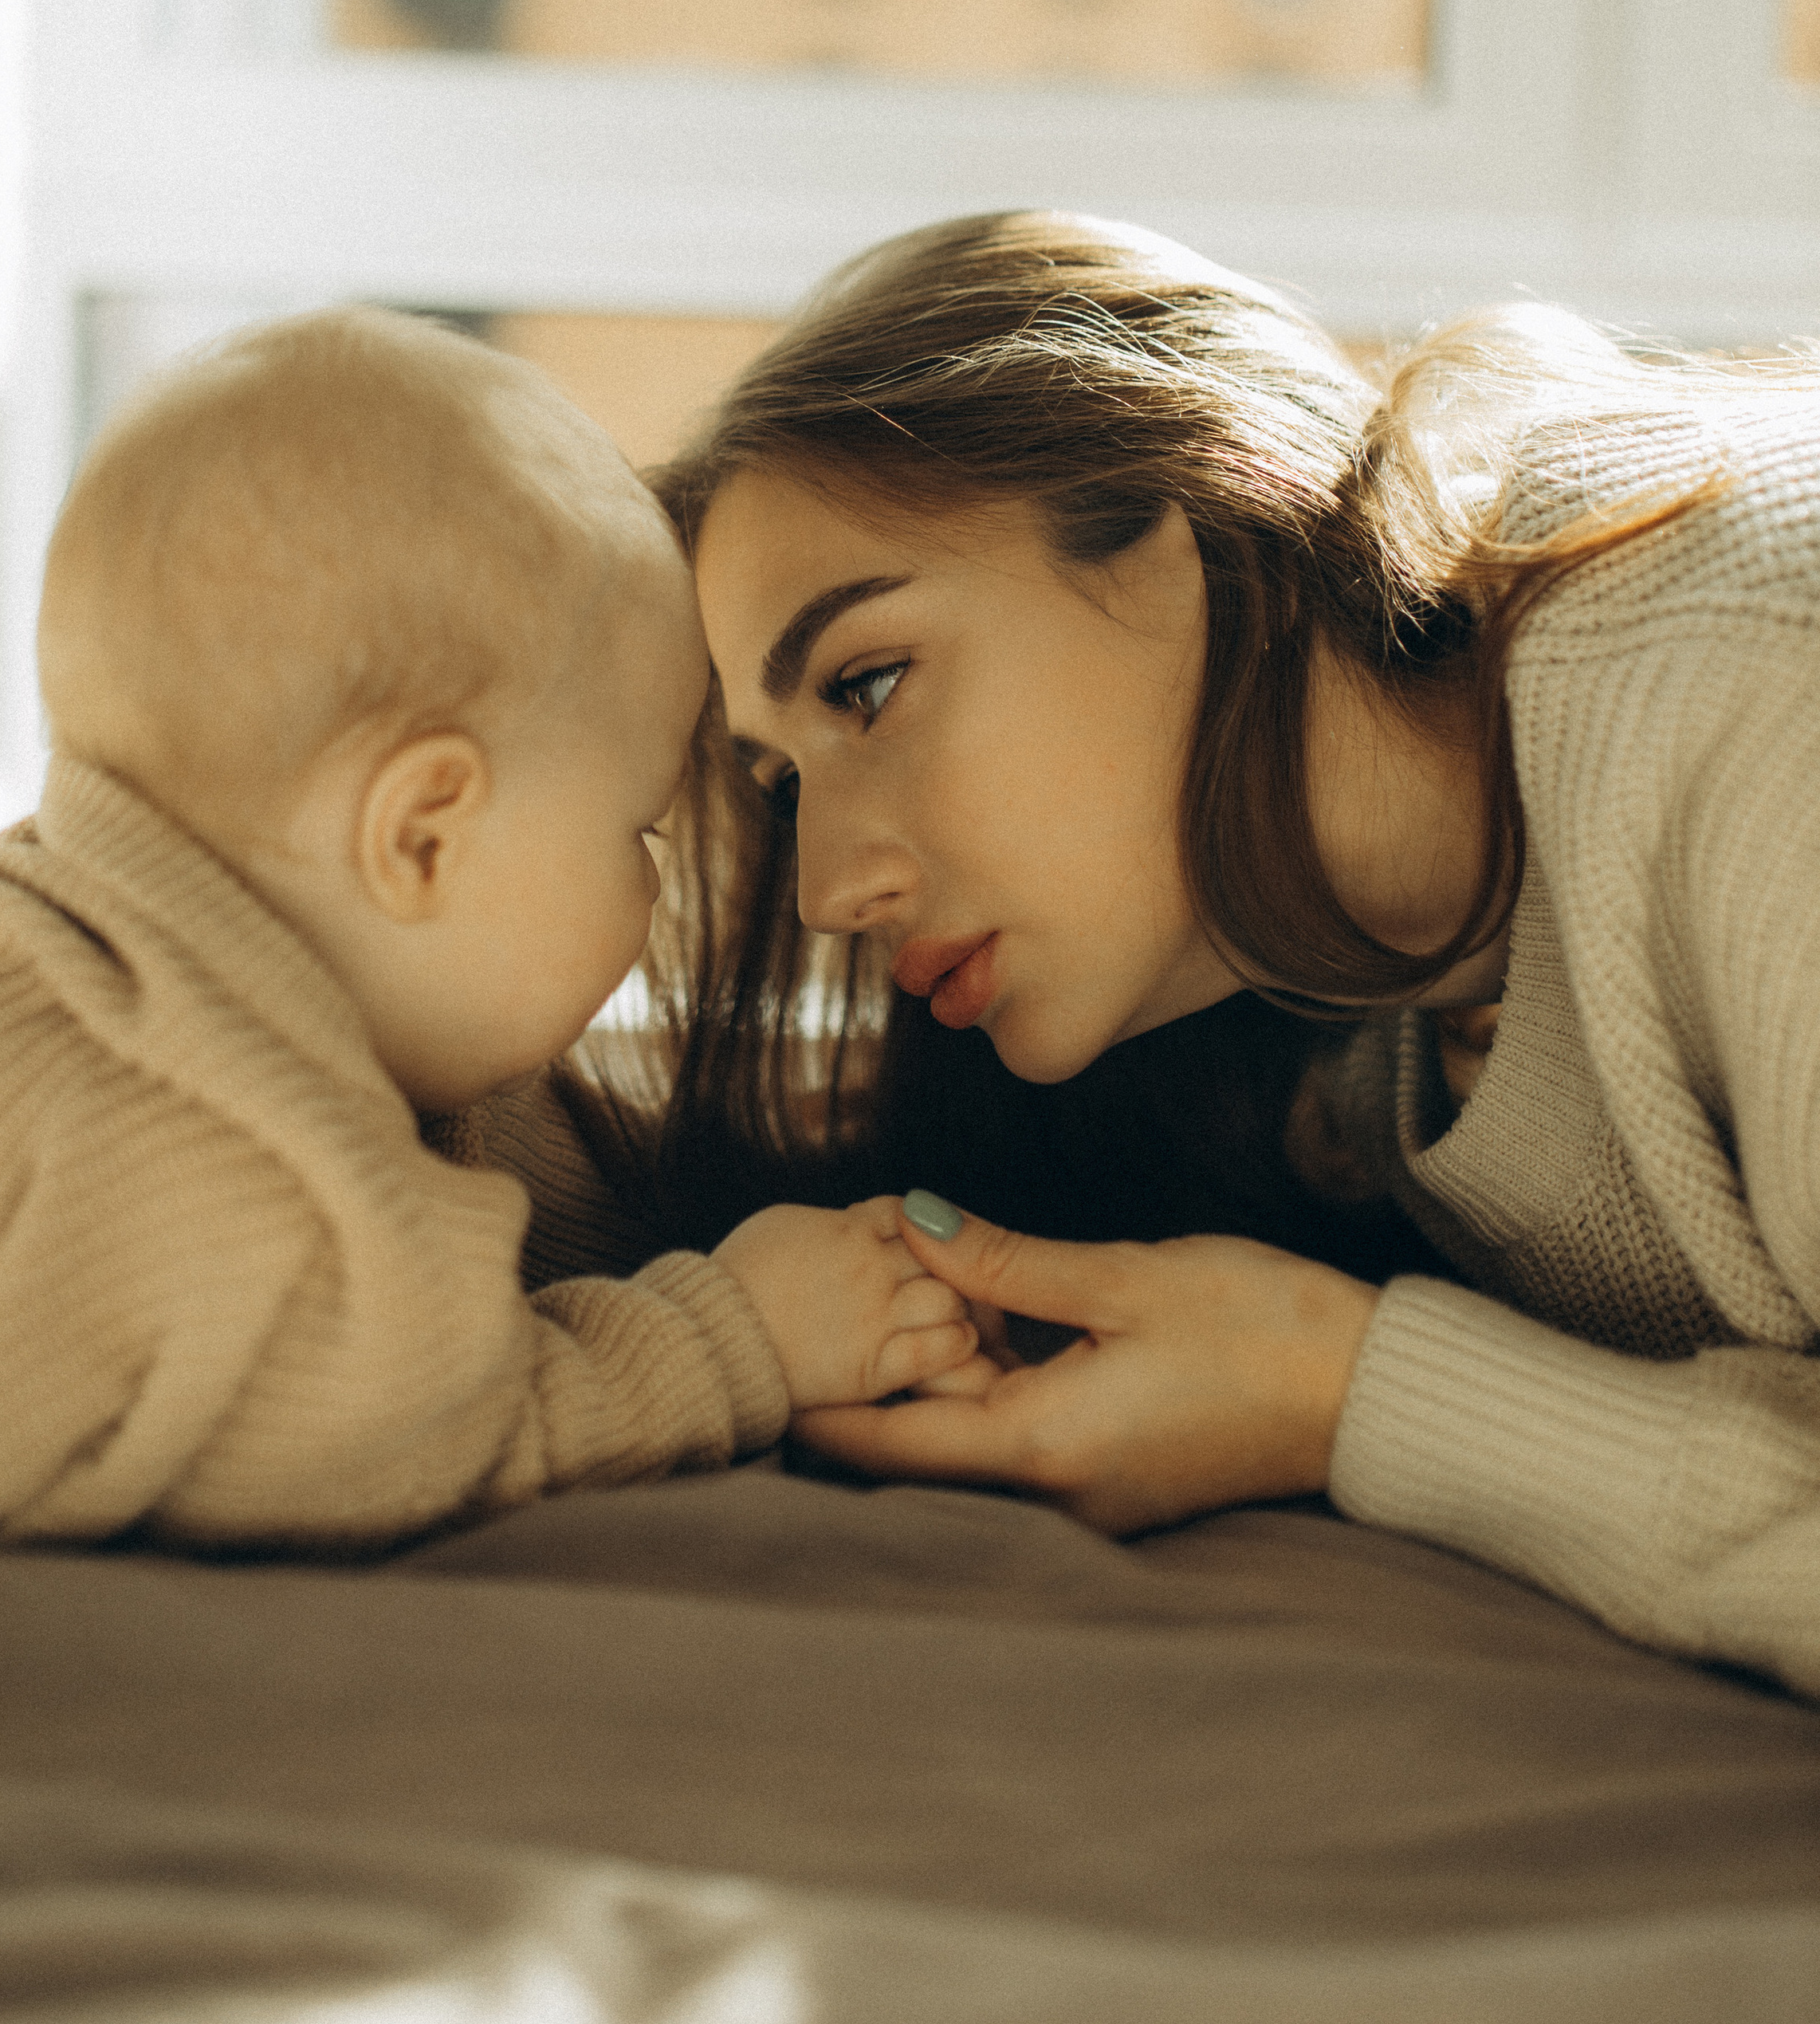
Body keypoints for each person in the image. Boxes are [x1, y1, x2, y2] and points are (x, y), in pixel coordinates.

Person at [558, 208, 1820, 1700]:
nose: (828, 887)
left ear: (1179, 521)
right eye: (780, 788)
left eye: (872, 683)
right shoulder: (1347, 1032)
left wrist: (1344, 1393)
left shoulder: (1752, 692)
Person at [0, 309, 977, 1554]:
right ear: (420, 835)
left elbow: (509, 1166)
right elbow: (426, 1446)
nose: (657, 897)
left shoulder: (86, 969)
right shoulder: (222, 1177)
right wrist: (737, 1333)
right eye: (644, 835)